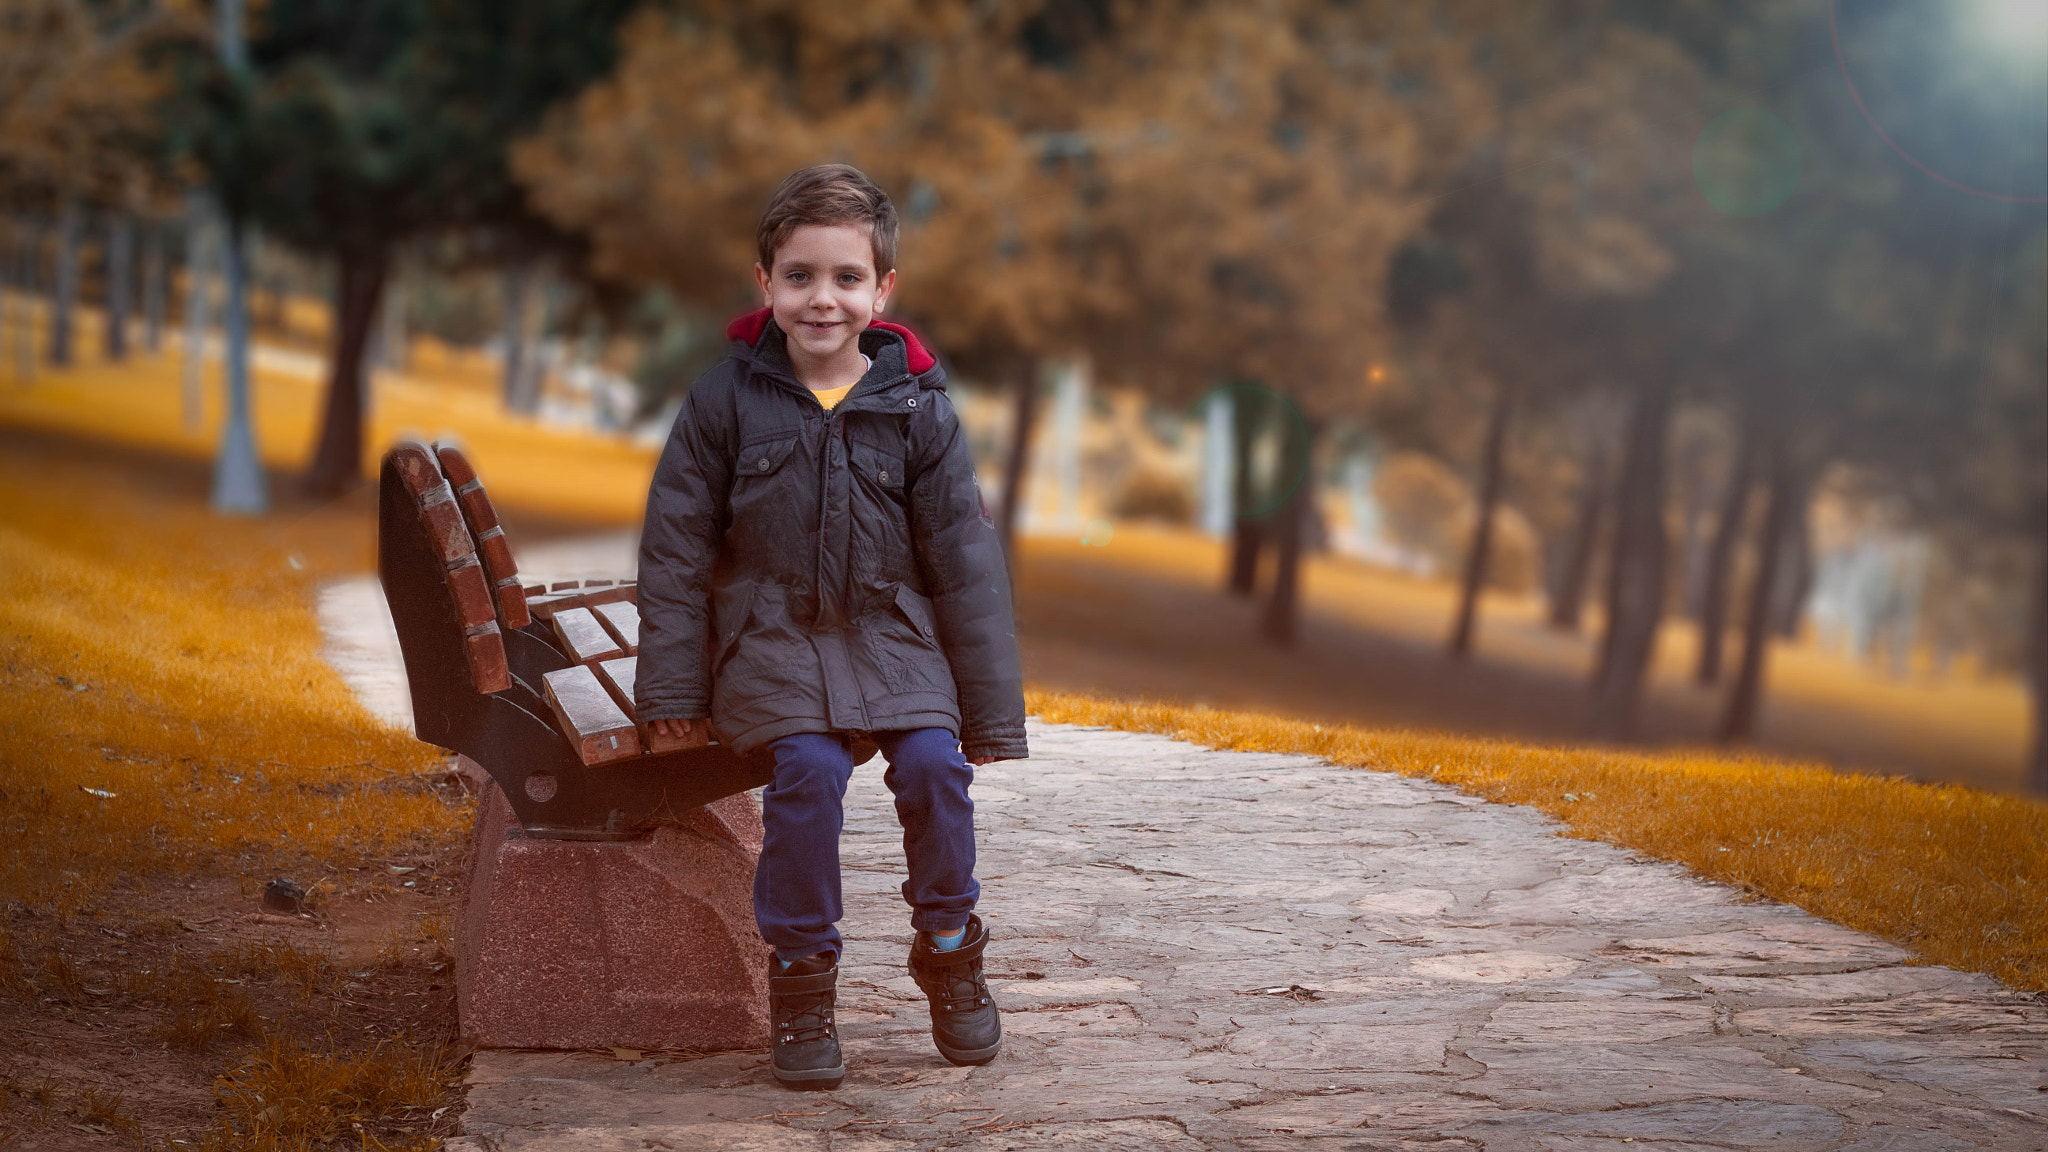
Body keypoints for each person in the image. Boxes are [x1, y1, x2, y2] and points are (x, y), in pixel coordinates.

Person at [634, 163, 1029, 1090]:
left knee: (936, 768)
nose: (823, 299)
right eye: (801, 276)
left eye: (847, 278)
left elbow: (965, 569)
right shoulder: (723, 402)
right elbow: (676, 554)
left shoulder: (920, 409)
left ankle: (949, 945)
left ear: (882, 289)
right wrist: (675, 695)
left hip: (893, 638)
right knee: (806, 776)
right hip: (771, 642)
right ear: (764, 282)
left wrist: (989, 712)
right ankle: (803, 977)